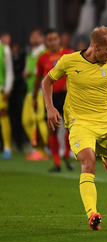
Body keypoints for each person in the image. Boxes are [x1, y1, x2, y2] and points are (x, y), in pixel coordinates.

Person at [41, 26, 107, 230]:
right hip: (79, 123)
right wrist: (50, 108)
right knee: (88, 162)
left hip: (106, 124)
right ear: (96, 46)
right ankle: (92, 214)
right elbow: (47, 81)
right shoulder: (68, 61)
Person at [33, 29, 74, 172]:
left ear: (59, 39)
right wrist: (33, 96)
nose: (53, 42)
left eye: (55, 39)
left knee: (70, 127)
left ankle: (67, 155)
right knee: (53, 130)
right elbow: (38, 79)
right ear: (46, 41)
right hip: (50, 98)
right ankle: (56, 162)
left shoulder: (69, 54)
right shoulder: (42, 58)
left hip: (67, 97)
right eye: (49, 39)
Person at [22, 28, 49, 160]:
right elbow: (29, 70)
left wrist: (30, 72)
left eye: (36, 36)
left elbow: (44, 70)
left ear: (42, 38)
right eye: (31, 36)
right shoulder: (30, 54)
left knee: (38, 120)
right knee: (26, 120)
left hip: (40, 91)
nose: (32, 38)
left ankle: (43, 150)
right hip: (30, 90)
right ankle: (38, 148)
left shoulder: (44, 53)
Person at [0, 32, 14, 159]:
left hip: (1, 89)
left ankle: (7, 147)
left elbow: (9, 70)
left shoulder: (4, 49)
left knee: (3, 115)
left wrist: (8, 89)